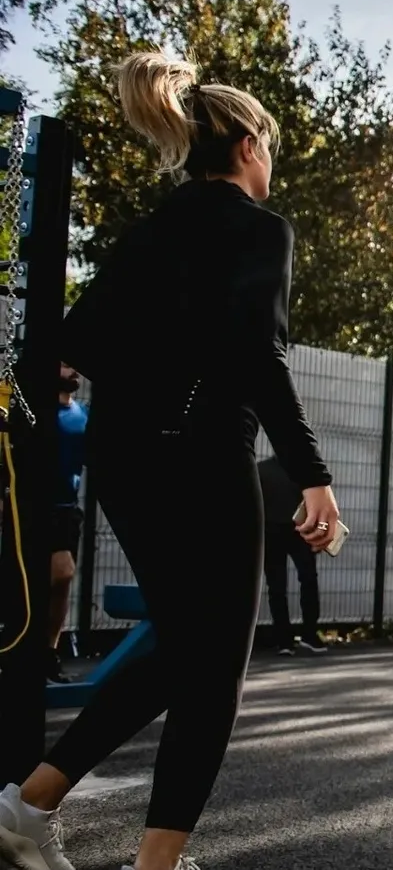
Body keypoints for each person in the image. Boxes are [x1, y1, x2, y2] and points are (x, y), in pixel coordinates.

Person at [0, 53, 341, 870]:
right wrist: (312, 472)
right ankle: (153, 862)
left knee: (182, 646)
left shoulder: (153, 230)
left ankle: (27, 803)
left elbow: (71, 346)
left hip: (125, 462)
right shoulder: (261, 230)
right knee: (213, 667)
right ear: (251, 145)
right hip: (203, 459)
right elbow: (260, 357)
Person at [44, 365, 88, 685]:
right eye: (65, 364)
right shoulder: (28, 411)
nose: (73, 371)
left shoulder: (83, 415)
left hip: (66, 510)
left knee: (62, 583)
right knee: (58, 573)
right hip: (31, 509)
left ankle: (48, 653)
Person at [259, 454, 326, 656]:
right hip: (299, 533)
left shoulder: (261, 470)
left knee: (277, 587)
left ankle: (285, 640)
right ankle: (307, 635)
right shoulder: (303, 468)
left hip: (274, 533)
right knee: (307, 580)